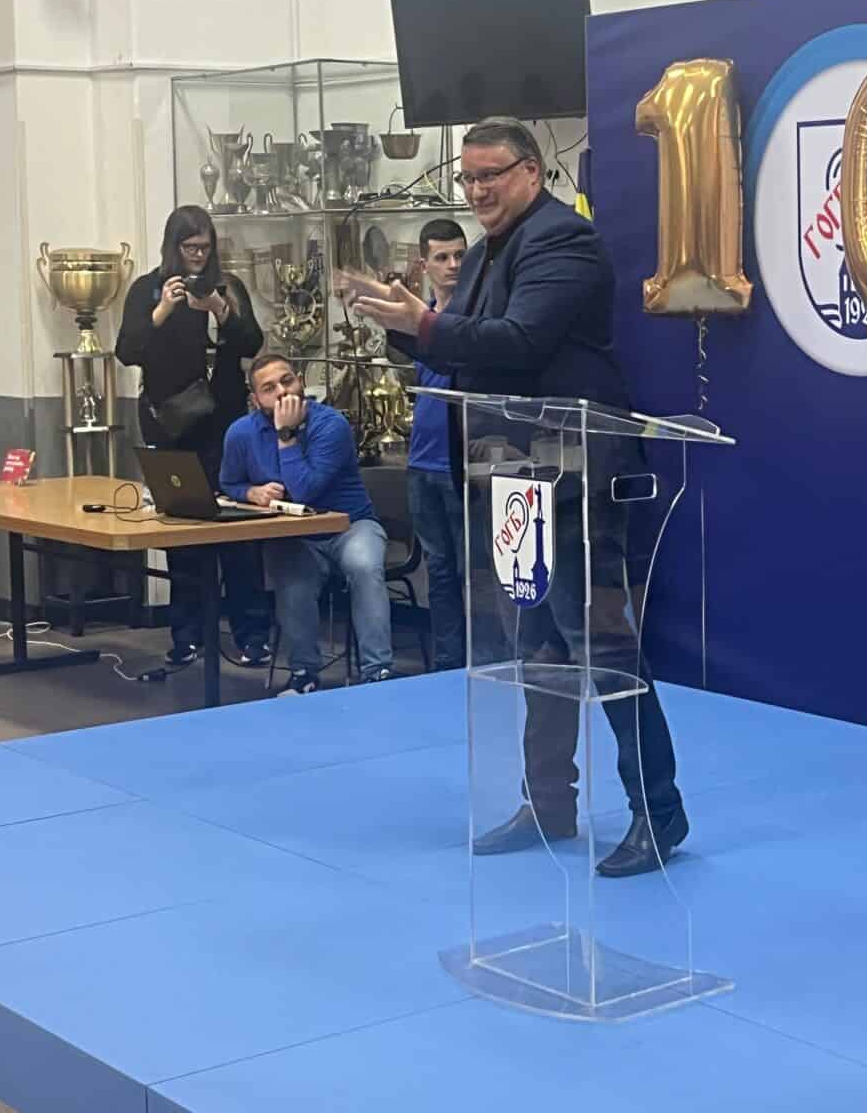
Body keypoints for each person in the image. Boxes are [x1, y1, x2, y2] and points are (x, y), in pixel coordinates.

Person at [341, 117, 686, 879]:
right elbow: (466, 336)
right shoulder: (492, 248)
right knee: (538, 647)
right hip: (514, 470)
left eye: (490, 175)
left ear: (532, 171)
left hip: (578, 473)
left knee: (602, 647)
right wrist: (405, 326)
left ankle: (658, 811)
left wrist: (426, 322)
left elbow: (520, 340)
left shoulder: (564, 240)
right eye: (467, 179)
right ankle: (549, 803)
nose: (478, 192)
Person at [115, 206, 274, 668]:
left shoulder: (229, 288)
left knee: (237, 534)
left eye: (205, 248)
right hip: (170, 425)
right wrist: (163, 308)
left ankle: (251, 635)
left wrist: (220, 309)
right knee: (183, 534)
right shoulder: (148, 288)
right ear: (173, 247)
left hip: (225, 427)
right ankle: (187, 635)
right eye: (190, 249)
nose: (198, 257)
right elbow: (128, 350)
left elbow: (250, 344)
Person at [221, 352, 394, 694]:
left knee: (364, 566)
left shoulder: (331, 424)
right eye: (269, 388)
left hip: (350, 526)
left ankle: (377, 672)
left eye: (288, 380)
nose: (282, 392)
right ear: (255, 400)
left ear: (301, 381)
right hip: (295, 535)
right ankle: (304, 674)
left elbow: (304, 490)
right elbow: (228, 483)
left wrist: (286, 436)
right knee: (291, 578)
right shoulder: (241, 433)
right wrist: (251, 492)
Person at [404, 217, 468, 672]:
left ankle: (484, 660)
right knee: (440, 570)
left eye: (460, 255)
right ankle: (448, 664)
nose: (452, 265)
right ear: (424, 265)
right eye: (442, 257)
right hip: (421, 459)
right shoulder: (420, 318)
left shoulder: (476, 318)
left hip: (464, 461)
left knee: (473, 569)